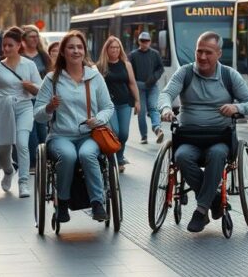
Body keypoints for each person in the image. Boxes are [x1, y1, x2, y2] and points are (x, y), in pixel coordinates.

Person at [159, 31, 248, 233]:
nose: (202, 57)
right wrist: (166, 109)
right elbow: (166, 93)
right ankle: (213, 198)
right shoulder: (185, 73)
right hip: (189, 137)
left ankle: (201, 210)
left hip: (219, 138)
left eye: (208, 52)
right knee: (181, 156)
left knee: (217, 154)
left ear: (219, 54)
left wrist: (237, 108)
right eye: (199, 51)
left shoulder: (229, 76)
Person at [34, 31, 114, 223]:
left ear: (84, 51)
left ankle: (97, 203)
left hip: (89, 134)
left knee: (87, 154)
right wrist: (49, 108)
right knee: (68, 156)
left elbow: (108, 107)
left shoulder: (94, 77)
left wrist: (99, 119)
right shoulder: (52, 79)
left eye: (79, 47)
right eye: (71, 47)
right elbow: (37, 114)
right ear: (63, 52)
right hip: (60, 135)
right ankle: (62, 203)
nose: (76, 51)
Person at [0, 27, 41, 198]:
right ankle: (9, 170)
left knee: (22, 144)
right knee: (4, 147)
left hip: (24, 107)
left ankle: (23, 182)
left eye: (10, 45)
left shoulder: (29, 65)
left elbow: (40, 88)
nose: (6, 49)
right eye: (4, 46)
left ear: (19, 46)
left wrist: (30, 86)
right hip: (3, 108)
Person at [97, 36, 140, 172]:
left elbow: (132, 83)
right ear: (107, 49)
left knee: (124, 134)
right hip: (108, 105)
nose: (115, 50)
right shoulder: (100, 66)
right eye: (112, 47)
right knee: (114, 131)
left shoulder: (126, 65)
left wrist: (138, 101)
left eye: (117, 47)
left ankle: (119, 157)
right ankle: (113, 159)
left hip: (124, 103)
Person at [21, 25, 51, 175]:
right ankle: (34, 162)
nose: (34, 39)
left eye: (36, 36)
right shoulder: (20, 56)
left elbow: (51, 74)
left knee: (42, 130)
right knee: (31, 131)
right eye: (31, 37)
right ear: (25, 39)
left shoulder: (43, 56)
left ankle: (44, 159)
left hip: (42, 97)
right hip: (26, 99)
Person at [130, 32, 165, 145]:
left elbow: (160, 68)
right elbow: (129, 72)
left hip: (152, 85)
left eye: (147, 41)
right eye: (142, 41)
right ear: (139, 42)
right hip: (139, 86)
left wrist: (154, 78)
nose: (145, 43)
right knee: (141, 111)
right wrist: (133, 85)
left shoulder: (155, 54)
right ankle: (144, 136)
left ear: (150, 41)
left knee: (153, 107)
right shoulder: (133, 55)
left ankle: (157, 129)